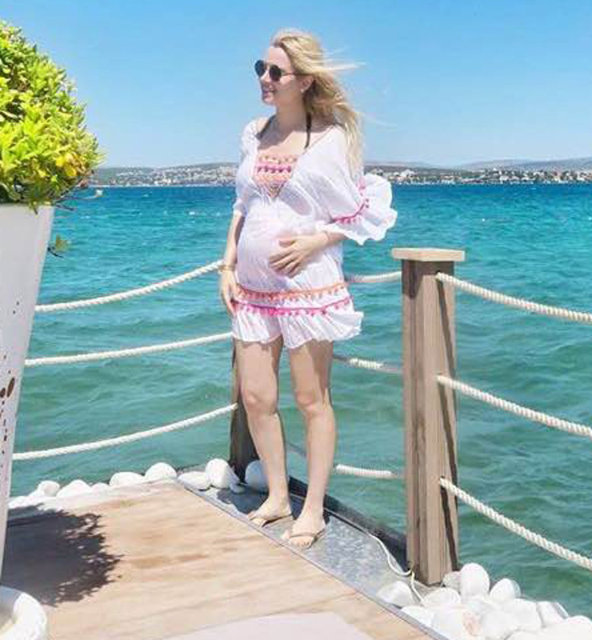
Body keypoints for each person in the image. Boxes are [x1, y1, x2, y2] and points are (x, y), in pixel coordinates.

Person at [218, 28, 397, 550]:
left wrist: (317, 240)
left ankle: (313, 508)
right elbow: (242, 205)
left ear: (304, 80)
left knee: (311, 398)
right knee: (256, 396)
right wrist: (227, 264)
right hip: (252, 291)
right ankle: (277, 495)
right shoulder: (253, 133)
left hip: (307, 289)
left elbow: (359, 210)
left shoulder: (330, 139)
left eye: (276, 72)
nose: (265, 79)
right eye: (261, 68)